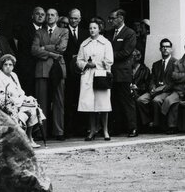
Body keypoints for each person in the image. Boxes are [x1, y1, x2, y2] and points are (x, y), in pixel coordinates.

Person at [0, 54, 44, 146]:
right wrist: (20, 101)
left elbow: (20, 91)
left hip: (19, 101)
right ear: (2, 66)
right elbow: (2, 95)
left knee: (34, 107)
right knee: (28, 110)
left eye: (10, 65)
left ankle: (29, 138)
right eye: (5, 64)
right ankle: (25, 139)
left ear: (13, 66)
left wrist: (26, 98)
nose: (8, 67)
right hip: (9, 104)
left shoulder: (14, 75)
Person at [32, 8, 68, 140]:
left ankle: (59, 131)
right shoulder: (39, 32)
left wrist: (45, 48)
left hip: (58, 68)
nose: (49, 17)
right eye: (48, 15)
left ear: (57, 17)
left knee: (59, 101)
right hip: (42, 69)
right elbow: (34, 50)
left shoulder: (64, 31)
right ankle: (42, 131)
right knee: (41, 102)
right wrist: (52, 53)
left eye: (53, 15)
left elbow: (62, 48)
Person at [75, 18, 113, 140]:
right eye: (90, 28)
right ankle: (92, 130)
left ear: (99, 29)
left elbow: (109, 60)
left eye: (95, 28)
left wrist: (96, 64)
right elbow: (79, 60)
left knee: (103, 104)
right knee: (90, 104)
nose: (92, 30)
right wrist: (86, 64)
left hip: (101, 74)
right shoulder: (84, 44)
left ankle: (105, 130)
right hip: (88, 76)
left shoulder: (106, 43)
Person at [107, 9, 139, 137]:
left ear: (120, 18)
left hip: (123, 73)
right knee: (113, 101)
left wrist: (108, 56)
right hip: (110, 72)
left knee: (126, 101)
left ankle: (133, 128)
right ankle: (116, 128)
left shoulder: (129, 33)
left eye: (112, 18)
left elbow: (126, 52)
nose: (110, 21)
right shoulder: (109, 33)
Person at [138, 39, 175, 131]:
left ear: (171, 49)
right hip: (155, 90)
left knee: (156, 100)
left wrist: (161, 89)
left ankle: (157, 125)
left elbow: (174, 82)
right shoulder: (156, 64)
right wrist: (152, 88)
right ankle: (147, 123)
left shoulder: (176, 63)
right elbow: (152, 79)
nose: (165, 49)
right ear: (160, 49)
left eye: (167, 47)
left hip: (167, 91)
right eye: (163, 47)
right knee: (141, 100)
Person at [15, 6, 46, 97]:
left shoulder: (46, 30)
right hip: (29, 68)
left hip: (43, 69)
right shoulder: (24, 30)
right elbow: (26, 50)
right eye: (37, 14)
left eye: (42, 14)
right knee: (28, 94)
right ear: (32, 16)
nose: (40, 16)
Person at [64, 8, 84, 125]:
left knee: (81, 99)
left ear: (80, 19)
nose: (73, 20)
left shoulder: (85, 32)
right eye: (71, 18)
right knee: (68, 100)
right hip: (67, 70)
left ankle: (81, 127)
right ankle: (68, 128)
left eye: (76, 18)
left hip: (81, 72)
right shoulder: (62, 31)